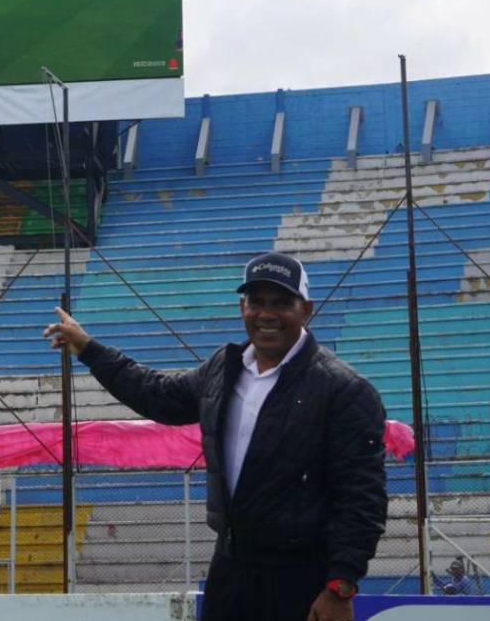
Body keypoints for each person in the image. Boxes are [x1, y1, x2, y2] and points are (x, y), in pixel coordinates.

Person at [43, 252, 387, 621]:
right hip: (230, 569)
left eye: (281, 303)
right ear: (242, 307)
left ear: (307, 310)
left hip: (301, 577)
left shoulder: (344, 389)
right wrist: (89, 350)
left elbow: (362, 497)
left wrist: (341, 585)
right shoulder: (225, 368)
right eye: (256, 302)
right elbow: (157, 395)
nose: (266, 314)